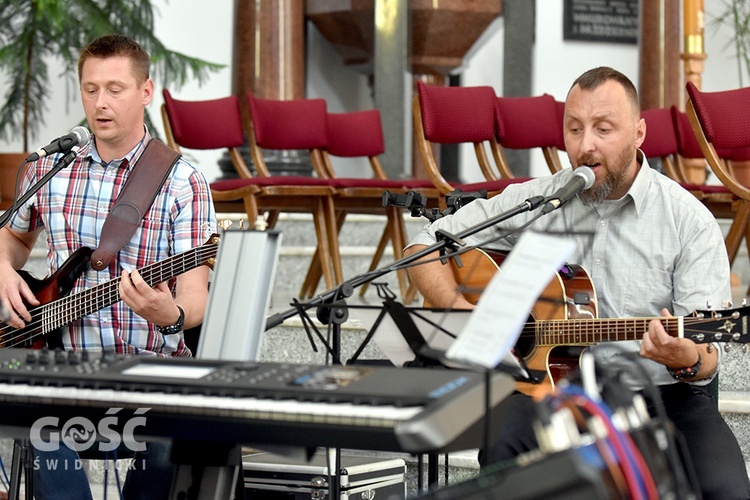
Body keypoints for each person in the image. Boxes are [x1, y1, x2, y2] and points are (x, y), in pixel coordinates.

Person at [404, 67, 750, 499]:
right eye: (574, 129)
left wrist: (685, 356)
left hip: (661, 397)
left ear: (639, 132)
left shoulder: (689, 221)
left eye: (604, 129)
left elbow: (706, 362)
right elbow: (422, 246)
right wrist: (457, 307)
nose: (586, 146)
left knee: (727, 489)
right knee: (503, 448)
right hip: (553, 392)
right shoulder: (536, 201)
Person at [0, 35, 216, 499]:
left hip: (147, 374)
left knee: (167, 441)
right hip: (56, 369)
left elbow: (194, 295)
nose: (100, 103)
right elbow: (14, 236)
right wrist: (2, 266)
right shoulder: (50, 169)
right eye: (90, 89)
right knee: (34, 421)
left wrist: (170, 314)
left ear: (145, 91)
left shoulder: (182, 181)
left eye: (115, 89)